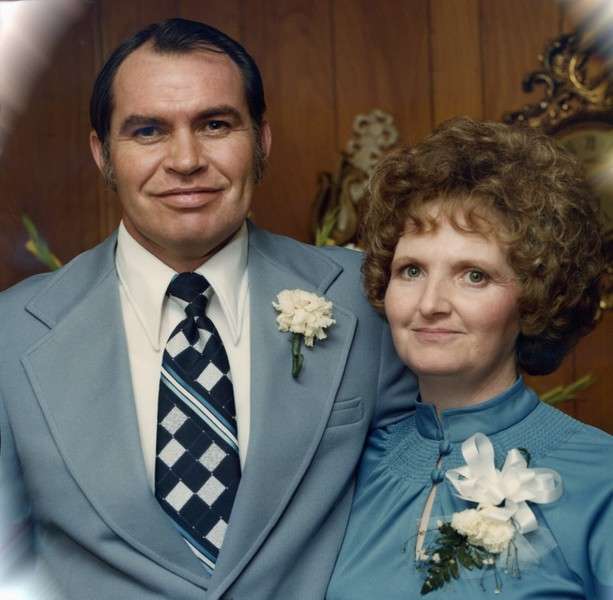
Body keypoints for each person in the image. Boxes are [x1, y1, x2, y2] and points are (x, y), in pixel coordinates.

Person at [0, 18, 415, 600]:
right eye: (149, 131)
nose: (186, 159)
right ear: (103, 155)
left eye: (215, 124)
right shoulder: (12, 334)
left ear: (261, 141)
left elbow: (415, 520)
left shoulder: (368, 298)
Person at [327, 117, 613, 599]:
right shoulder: (346, 466)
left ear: (536, 297)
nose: (430, 303)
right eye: (411, 270)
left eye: (474, 275)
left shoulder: (601, 478)